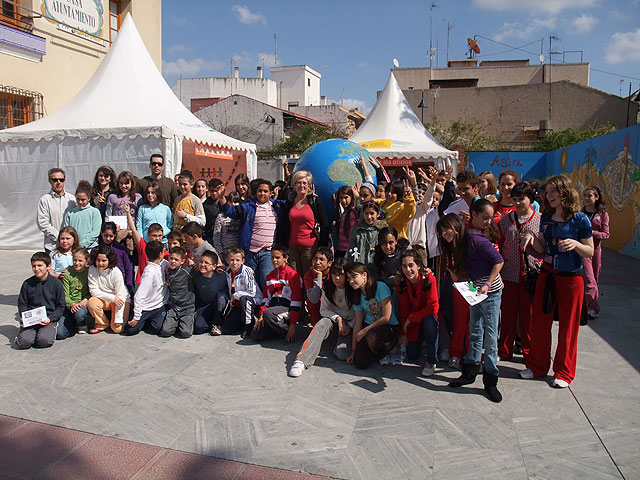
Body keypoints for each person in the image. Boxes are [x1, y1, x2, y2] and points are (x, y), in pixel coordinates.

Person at [520, 175, 594, 388]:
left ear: (564, 193)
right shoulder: (547, 217)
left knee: (568, 327)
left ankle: (563, 372)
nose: (549, 195)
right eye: (548, 191)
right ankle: (537, 366)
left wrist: (575, 244)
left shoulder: (580, 219)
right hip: (547, 273)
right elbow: (543, 247)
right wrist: (531, 238)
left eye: (553, 191)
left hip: (571, 278)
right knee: (540, 322)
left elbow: (589, 251)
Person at [438, 213, 505, 403]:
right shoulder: (456, 246)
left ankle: (490, 381)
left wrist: (488, 285)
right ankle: (469, 371)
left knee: (490, 337)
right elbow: (469, 271)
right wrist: (456, 278)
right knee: (474, 331)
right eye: (441, 231)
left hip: (490, 292)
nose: (444, 234)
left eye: (447, 229)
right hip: (475, 290)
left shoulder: (476, 240)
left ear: (456, 227)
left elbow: (498, 261)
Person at [497, 182, 541, 361]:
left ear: (530, 198)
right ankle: (504, 350)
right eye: (514, 199)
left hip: (531, 275)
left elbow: (544, 248)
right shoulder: (506, 220)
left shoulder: (540, 219)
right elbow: (499, 244)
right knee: (507, 315)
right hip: (509, 274)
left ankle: (529, 352)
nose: (517, 203)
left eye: (521, 199)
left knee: (528, 318)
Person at [289, 258, 353, 377]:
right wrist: (338, 319)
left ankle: (335, 342)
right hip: (333, 321)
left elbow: (361, 312)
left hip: (350, 325)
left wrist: (349, 325)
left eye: (341, 275)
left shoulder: (353, 288)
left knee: (342, 354)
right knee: (322, 323)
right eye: (334, 274)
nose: (337, 278)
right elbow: (323, 310)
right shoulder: (328, 287)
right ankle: (301, 361)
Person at [218, 179, 286, 291]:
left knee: (267, 282)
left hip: (268, 253)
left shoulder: (277, 206)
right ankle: (250, 306)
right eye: (260, 191)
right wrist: (221, 197)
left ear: (271, 193)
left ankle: (265, 307)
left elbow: (293, 204)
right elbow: (230, 212)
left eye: (265, 191)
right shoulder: (249, 207)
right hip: (250, 253)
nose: (262, 194)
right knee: (249, 283)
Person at [276, 170, 330, 279]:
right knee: (294, 279)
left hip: (310, 247)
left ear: (309, 186)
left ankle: (308, 297)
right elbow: (283, 225)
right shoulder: (289, 203)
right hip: (292, 247)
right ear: (294, 185)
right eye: (299, 182)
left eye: (305, 183)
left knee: (309, 278)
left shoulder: (315, 201)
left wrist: (322, 247)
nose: (302, 185)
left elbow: (324, 224)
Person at [344, 262, 399, 369]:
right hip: (368, 326)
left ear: (364, 275)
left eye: (354, 276)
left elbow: (386, 317)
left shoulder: (380, 287)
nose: (351, 281)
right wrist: (353, 352)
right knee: (360, 363)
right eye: (349, 278)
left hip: (387, 326)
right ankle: (373, 349)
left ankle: (383, 352)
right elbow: (358, 323)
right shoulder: (357, 294)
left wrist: (364, 331)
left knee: (372, 336)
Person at [397, 249, 439, 376]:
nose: (408, 270)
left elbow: (433, 308)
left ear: (419, 265)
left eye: (411, 265)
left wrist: (411, 319)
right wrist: (403, 332)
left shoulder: (429, 279)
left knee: (430, 322)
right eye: (404, 266)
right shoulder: (402, 283)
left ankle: (431, 361)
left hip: (426, 318)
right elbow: (404, 309)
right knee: (412, 355)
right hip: (414, 323)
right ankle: (421, 340)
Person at [251, 245, 303, 343]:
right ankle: (276, 329)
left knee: (268, 313)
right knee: (255, 335)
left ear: (285, 258)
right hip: (272, 311)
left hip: (287, 310)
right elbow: (266, 298)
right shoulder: (270, 276)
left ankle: (287, 330)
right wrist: (261, 316)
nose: (274, 260)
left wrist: (292, 324)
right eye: (272, 257)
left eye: (277, 257)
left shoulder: (293, 275)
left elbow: (296, 301)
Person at [14, 252, 65, 350]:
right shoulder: (27, 283)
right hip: (31, 319)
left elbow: (61, 306)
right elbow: (22, 302)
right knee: (24, 343)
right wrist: (24, 315)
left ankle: (44, 333)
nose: (36, 269)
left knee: (44, 341)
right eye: (34, 266)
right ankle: (24, 334)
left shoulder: (56, 284)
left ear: (48, 266)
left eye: (40, 265)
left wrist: (51, 319)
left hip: (48, 319)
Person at [211, 247, 258, 336]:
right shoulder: (227, 271)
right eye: (232, 260)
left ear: (243, 260)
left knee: (245, 299)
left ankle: (248, 325)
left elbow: (252, 293)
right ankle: (241, 321)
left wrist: (235, 295)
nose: (234, 263)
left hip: (250, 303)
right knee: (227, 329)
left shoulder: (247, 271)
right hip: (236, 305)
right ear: (227, 260)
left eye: (237, 260)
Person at [125, 240, 168, 336]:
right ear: (160, 254)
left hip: (159, 306)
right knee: (130, 330)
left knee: (157, 328)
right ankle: (141, 321)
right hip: (146, 308)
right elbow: (139, 296)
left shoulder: (164, 263)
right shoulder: (149, 273)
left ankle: (148, 322)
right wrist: (136, 317)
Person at [87, 245, 130, 334]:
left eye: (104, 261)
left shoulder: (116, 272)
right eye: (98, 260)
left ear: (109, 260)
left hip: (120, 300)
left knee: (117, 329)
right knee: (92, 302)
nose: (100, 263)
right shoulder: (92, 270)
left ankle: (115, 320)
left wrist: (118, 318)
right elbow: (93, 290)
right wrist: (112, 298)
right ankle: (102, 324)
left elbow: (120, 295)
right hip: (107, 299)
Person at [581, 186, 609, 319]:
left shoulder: (602, 214)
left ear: (596, 197)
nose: (586, 198)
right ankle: (592, 307)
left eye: (590, 195)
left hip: (596, 250)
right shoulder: (581, 213)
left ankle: (590, 304)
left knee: (595, 278)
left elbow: (606, 234)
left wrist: (592, 233)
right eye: (585, 195)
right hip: (584, 249)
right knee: (589, 278)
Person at [124, 203, 167, 284]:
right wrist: (128, 213)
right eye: (154, 235)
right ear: (148, 235)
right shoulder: (143, 245)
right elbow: (133, 229)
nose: (157, 238)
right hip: (142, 282)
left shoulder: (165, 252)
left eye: (160, 235)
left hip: (157, 284)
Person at [160, 246, 196, 338]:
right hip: (174, 307)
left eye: (176, 259)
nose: (173, 261)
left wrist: (193, 263)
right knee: (165, 332)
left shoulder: (187, 270)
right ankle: (176, 324)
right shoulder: (168, 271)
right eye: (171, 258)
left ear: (182, 261)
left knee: (186, 333)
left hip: (187, 307)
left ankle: (188, 320)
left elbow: (200, 268)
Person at [37, 168, 76, 252]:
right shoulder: (44, 200)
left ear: (64, 180)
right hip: (52, 246)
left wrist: (68, 239)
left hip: (70, 246)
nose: (58, 182)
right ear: (49, 181)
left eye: (61, 180)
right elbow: (43, 223)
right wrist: (59, 237)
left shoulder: (72, 199)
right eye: (55, 180)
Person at [192, 250, 228, 335]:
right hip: (205, 306)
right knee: (199, 328)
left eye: (206, 263)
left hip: (220, 305)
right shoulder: (196, 277)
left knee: (221, 297)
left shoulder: (222, 275)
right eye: (201, 262)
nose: (202, 265)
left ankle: (217, 324)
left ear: (214, 266)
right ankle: (210, 322)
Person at [60, 248, 92, 338]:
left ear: (87, 261)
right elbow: (65, 294)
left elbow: (93, 290)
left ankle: (81, 323)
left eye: (80, 261)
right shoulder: (67, 274)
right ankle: (72, 324)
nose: (77, 263)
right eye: (75, 260)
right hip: (70, 305)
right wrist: (71, 304)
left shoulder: (89, 272)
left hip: (82, 304)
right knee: (60, 334)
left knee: (80, 313)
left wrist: (86, 299)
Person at [347, 201, 387, 274]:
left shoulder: (382, 230)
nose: (369, 217)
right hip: (360, 269)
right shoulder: (357, 229)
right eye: (366, 213)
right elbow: (351, 249)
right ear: (362, 213)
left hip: (377, 269)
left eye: (372, 213)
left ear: (378, 214)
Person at [93, 222, 134, 293]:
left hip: (119, 284)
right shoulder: (96, 249)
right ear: (101, 233)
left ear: (115, 235)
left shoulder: (121, 250)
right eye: (106, 235)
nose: (108, 239)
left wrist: (128, 284)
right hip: (101, 284)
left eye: (111, 236)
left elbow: (128, 269)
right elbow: (92, 267)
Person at [62, 181, 102, 249]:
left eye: (83, 200)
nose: (80, 202)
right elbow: (66, 231)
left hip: (90, 248)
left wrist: (82, 244)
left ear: (88, 198)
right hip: (73, 248)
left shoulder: (94, 212)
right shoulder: (70, 213)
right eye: (78, 199)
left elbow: (95, 232)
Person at [303, 246, 334, 326]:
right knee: (310, 301)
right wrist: (319, 277)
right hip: (318, 307)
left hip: (334, 307)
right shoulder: (309, 275)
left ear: (330, 263)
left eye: (321, 260)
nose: (317, 262)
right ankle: (316, 327)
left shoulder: (335, 274)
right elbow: (314, 299)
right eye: (315, 259)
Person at [213, 191, 241, 262]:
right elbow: (217, 236)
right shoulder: (221, 216)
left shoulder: (242, 216)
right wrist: (219, 252)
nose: (233, 204)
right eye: (230, 202)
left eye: (236, 202)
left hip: (239, 251)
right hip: (225, 252)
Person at [334, 185, 359, 259]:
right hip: (341, 249)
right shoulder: (345, 212)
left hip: (347, 251)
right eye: (341, 198)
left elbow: (352, 234)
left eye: (346, 197)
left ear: (351, 197)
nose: (343, 201)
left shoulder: (352, 213)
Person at [203, 178, 224, 245]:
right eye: (212, 191)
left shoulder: (226, 202)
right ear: (208, 190)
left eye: (216, 191)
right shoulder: (205, 205)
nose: (214, 193)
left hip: (225, 236)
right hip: (210, 237)